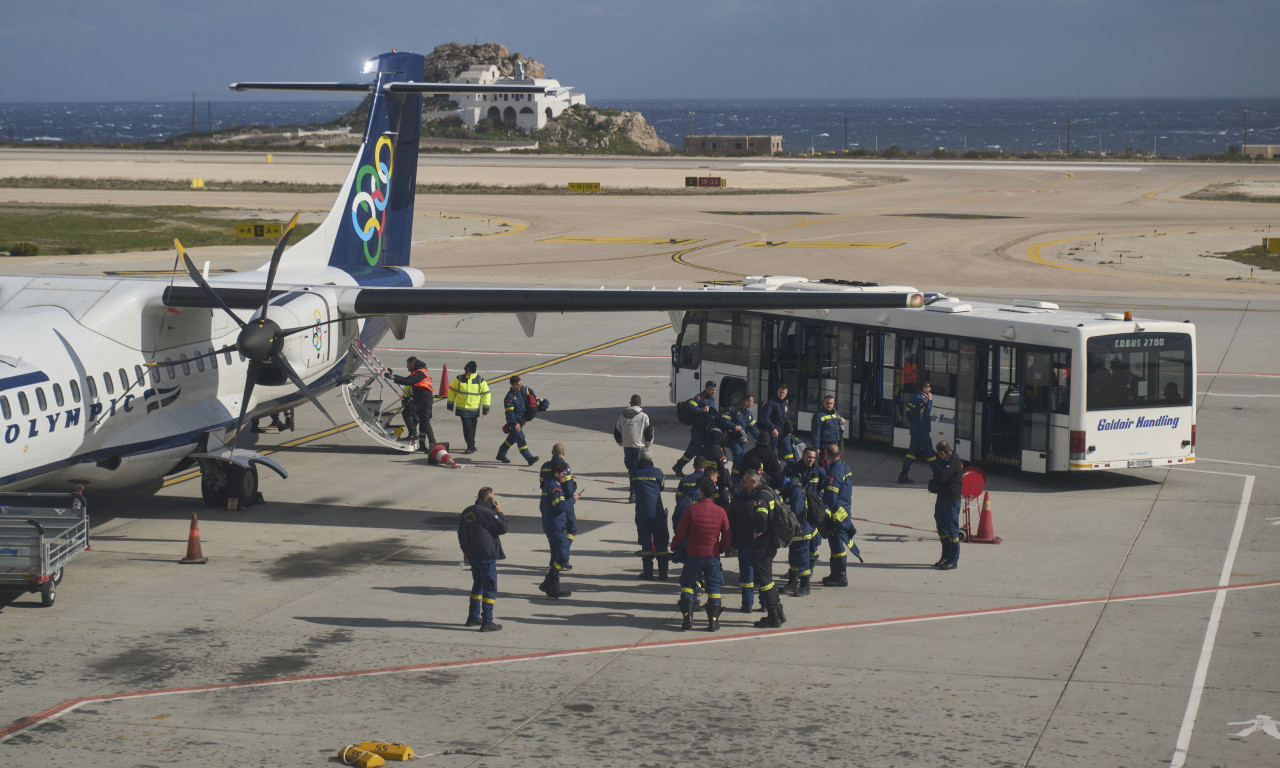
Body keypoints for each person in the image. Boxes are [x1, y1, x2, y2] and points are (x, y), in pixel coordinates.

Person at [671, 477, 732, 631]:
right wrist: (721, 549)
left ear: (700, 492)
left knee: (688, 585)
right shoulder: (721, 512)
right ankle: (713, 621)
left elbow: (681, 532)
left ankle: (687, 619)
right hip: (712, 556)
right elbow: (727, 534)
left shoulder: (691, 510)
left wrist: (674, 546)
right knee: (713, 587)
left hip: (693, 555)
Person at [457, 486, 507, 631]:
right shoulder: (486, 512)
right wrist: (500, 512)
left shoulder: (467, 511)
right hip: (486, 555)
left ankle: (473, 617)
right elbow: (503, 527)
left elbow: (460, 532)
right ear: (489, 498)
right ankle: (487, 621)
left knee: (478, 585)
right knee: (490, 587)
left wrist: (465, 550)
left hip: (472, 554)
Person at [741, 470, 787, 628]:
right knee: (768, 578)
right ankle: (779, 612)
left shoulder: (761, 495)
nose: (744, 485)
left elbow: (762, 516)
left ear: (754, 482)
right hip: (771, 542)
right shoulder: (768, 490)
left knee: (765, 581)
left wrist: (758, 531)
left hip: (764, 544)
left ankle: (773, 616)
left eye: (746, 482)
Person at [782, 446, 824, 597]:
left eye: (813, 457)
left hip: (806, 521)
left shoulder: (818, 472)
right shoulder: (792, 471)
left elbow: (822, 489)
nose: (811, 460)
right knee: (793, 554)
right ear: (802, 456)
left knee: (803, 554)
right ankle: (793, 582)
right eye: (808, 457)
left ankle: (805, 585)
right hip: (797, 522)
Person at [821, 443, 860, 587]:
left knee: (836, 543)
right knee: (836, 542)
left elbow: (831, 496)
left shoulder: (835, 472)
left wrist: (825, 510)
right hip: (844, 510)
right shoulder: (845, 467)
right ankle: (835, 574)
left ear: (827, 455)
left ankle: (840, 577)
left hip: (836, 513)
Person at [538, 457, 575, 598]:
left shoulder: (548, 485)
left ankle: (552, 585)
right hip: (556, 526)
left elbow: (542, 506)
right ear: (556, 474)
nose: (566, 476)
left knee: (555, 555)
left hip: (550, 524)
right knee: (563, 557)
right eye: (564, 474)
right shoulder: (555, 487)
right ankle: (550, 579)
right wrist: (573, 500)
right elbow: (560, 506)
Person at [540, 444, 579, 569]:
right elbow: (568, 489)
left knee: (554, 538)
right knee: (571, 529)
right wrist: (572, 498)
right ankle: (563, 556)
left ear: (552, 452)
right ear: (564, 453)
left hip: (546, 501)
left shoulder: (544, 466)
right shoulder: (565, 467)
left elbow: (541, 484)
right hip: (563, 501)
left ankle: (558, 559)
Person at [631, 456, 669, 580]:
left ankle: (648, 572)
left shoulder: (635, 473)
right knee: (662, 544)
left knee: (646, 545)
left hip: (642, 514)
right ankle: (663, 573)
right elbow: (662, 486)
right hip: (658, 514)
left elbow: (633, 488)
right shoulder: (658, 472)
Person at [929, 441, 964, 570]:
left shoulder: (954, 461)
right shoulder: (944, 462)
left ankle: (953, 560)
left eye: (939, 454)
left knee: (952, 529)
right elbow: (937, 475)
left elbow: (942, 477)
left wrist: (937, 475)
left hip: (951, 500)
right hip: (942, 498)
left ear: (943, 453)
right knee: (941, 526)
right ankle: (945, 556)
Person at [389, 356, 435, 452]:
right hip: (424, 399)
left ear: (412, 364)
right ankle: (433, 444)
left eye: (408, 364)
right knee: (425, 422)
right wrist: (394, 376)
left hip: (422, 399)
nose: (407, 367)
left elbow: (409, 381)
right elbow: (407, 379)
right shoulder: (419, 371)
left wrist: (394, 378)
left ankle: (413, 434)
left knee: (406, 412)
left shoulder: (419, 372)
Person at [673, 380, 717, 476]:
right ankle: (678, 466)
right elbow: (690, 407)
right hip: (698, 429)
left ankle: (699, 470)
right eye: (711, 390)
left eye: (714, 390)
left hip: (706, 429)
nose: (713, 392)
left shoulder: (711, 398)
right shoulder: (699, 398)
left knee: (703, 451)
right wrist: (702, 409)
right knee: (693, 450)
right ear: (706, 389)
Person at [614, 394, 654, 501]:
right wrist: (648, 445)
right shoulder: (643, 416)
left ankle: (633, 491)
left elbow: (617, 431)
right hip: (639, 447)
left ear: (630, 403)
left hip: (627, 447)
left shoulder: (622, 416)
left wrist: (620, 443)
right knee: (638, 470)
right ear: (640, 404)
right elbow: (649, 432)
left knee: (631, 469)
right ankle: (635, 493)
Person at [446, 360, 490, 454]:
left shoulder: (480, 380)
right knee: (467, 428)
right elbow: (452, 390)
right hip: (463, 409)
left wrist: (486, 407)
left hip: (474, 409)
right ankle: (470, 446)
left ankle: (472, 445)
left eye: (467, 370)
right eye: (465, 369)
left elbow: (486, 394)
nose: (465, 371)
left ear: (473, 371)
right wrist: (450, 403)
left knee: (472, 428)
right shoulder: (459, 378)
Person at [496, 375, 539, 466]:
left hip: (522, 420)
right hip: (515, 422)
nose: (519, 386)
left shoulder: (522, 389)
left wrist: (535, 399)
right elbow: (509, 414)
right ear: (512, 385)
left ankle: (501, 454)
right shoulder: (509, 398)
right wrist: (514, 423)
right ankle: (529, 458)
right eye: (517, 385)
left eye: (520, 384)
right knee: (520, 439)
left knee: (511, 439)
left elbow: (530, 392)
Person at [898, 381, 936, 483]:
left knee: (912, 453)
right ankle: (938, 475)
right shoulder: (921, 399)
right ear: (923, 388)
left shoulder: (914, 397)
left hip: (915, 430)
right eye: (928, 387)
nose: (930, 389)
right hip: (922, 431)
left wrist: (914, 423)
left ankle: (904, 474)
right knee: (930, 453)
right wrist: (930, 400)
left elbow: (908, 413)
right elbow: (926, 412)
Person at [718, 393, 760, 474]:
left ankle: (738, 478)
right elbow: (723, 419)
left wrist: (761, 438)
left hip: (741, 441)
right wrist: (734, 426)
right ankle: (735, 480)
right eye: (751, 401)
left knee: (742, 460)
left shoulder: (748, 413)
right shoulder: (732, 409)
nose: (752, 403)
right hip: (732, 439)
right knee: (739, 458)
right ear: (746, 402)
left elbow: (753, 428)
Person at [760, 383, 793, 457]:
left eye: (784, 393)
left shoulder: (785, 402)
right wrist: (772, 429)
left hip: (784, 432)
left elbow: (786, 416)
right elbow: (765, 417)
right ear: (777, 391)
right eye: (780, 392)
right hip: (774, 433)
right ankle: (770, 467)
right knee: (771, 452)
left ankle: (790, 467)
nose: (782, 394)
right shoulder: (771, 402)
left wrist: (789, 429)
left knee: (788, 452)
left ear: (786, 393)